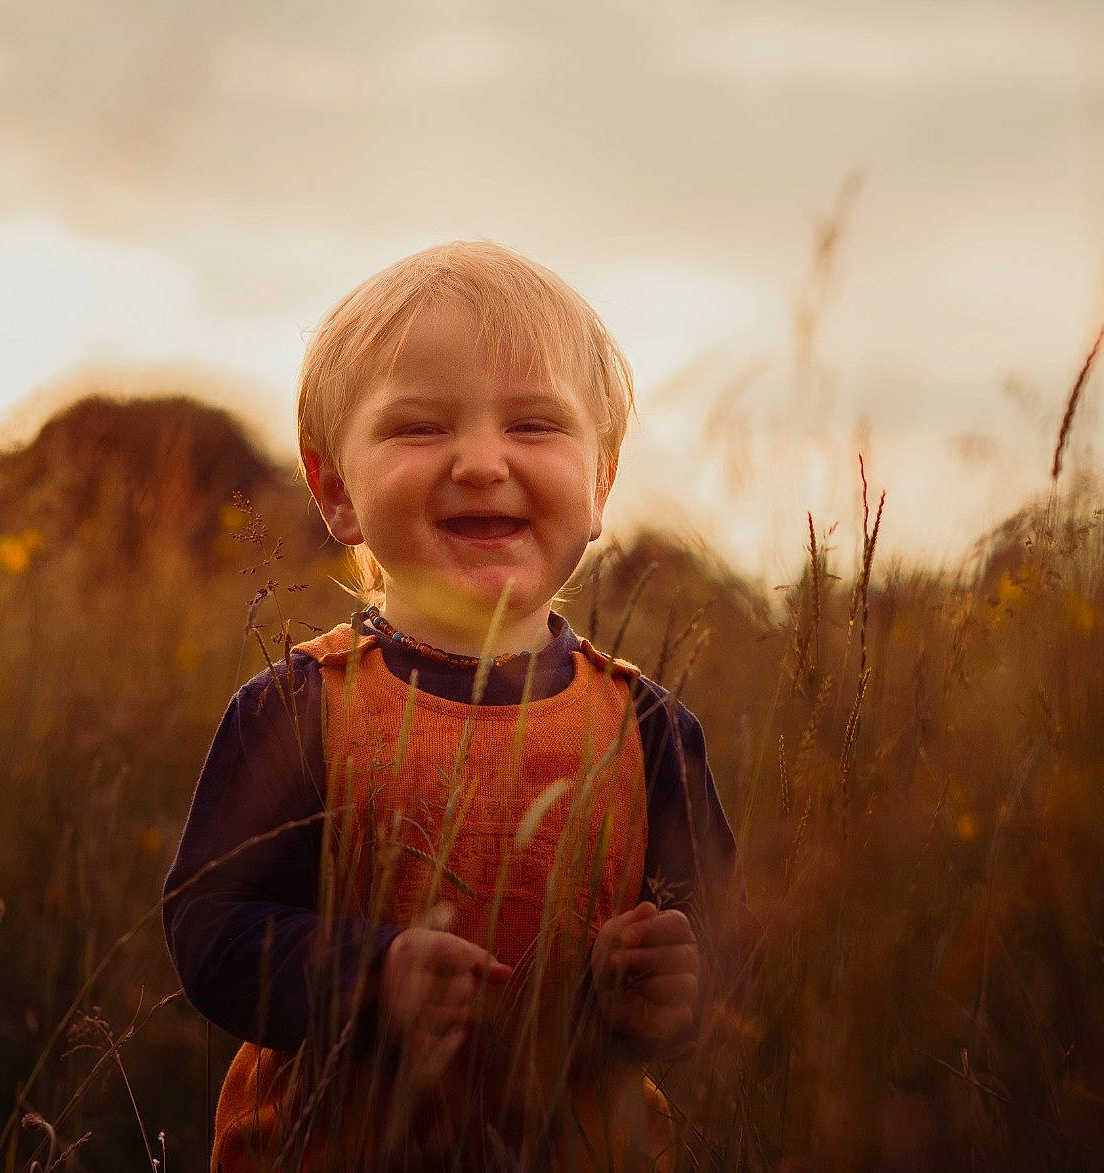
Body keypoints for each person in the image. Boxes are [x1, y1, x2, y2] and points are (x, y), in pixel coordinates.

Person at [163, 241, 738, 1171]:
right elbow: (208, 929)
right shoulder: (301, 709)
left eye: (536, 425)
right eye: (421, 428)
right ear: (337, 492)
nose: (480, 461)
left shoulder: (646, 729)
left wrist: (672, 986)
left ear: (600, 486)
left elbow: (724, 951)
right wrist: (364, 974)